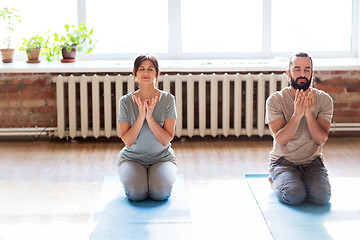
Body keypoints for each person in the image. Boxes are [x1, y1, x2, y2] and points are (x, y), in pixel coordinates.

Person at [265, 52, 333, 206]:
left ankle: (302, 181)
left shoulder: (324, 100)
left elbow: (320, 139)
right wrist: (297, 115)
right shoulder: (275, 100)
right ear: (288, 73)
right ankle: (274, 180)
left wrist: (308, 114)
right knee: (294, 195)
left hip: (313, 162)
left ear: (312, 73)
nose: (302, 74)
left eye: (307, 70)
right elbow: (281, 140)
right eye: (297, 69)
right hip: (283, 162)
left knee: (322, 197)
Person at [117, 53, 177, 201]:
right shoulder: (125, 102)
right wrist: (141, 117)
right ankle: (137, 179)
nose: (145, 73)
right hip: (132, 159)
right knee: (137, 194)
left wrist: (150, 118)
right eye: (141, 69)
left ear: (157, 73)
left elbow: (165, 140)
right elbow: (128, 141)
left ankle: (154, 178)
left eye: (150, 69)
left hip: (162, 158)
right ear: (134, 73)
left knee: (160, 194)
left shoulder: (168, 99)